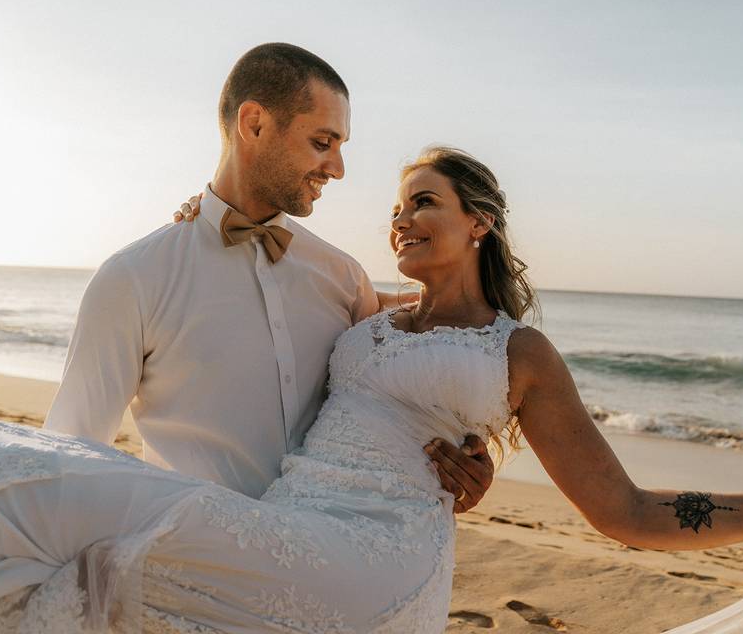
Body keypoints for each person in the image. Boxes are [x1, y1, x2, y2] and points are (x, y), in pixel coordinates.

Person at [0, 147, 743, 633]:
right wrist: (202, 216)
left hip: (376, 555)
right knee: (76, 530)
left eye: (424, 202)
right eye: (396, 206)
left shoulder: (519, 353)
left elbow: (629, 510)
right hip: (293, 523)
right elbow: (260, 264)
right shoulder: (367, 306)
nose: (401, 217)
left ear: (479, 222)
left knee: (34, 476)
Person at [43, 43, 493, 511]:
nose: (337, 170)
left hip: (334, 558)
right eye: (322, 143)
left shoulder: (341, 275)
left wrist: (457, 462)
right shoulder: (134, 278)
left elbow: (398, 386)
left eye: (340, 147)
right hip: (191, 565)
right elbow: (71, 452)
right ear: (254, 123)